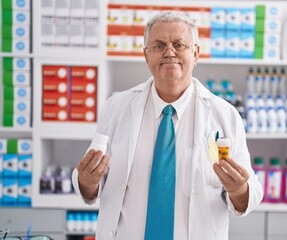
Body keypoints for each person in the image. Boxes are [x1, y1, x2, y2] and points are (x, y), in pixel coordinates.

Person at [72, 11, 263, 240]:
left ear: (196, 53)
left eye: (179, 44)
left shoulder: (225, 115)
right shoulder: (116, 108)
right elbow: (92, 186)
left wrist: (239, 190)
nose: (169, 52)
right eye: (159, 45)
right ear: (146, 55)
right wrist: (86, 181)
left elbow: (249, 194)